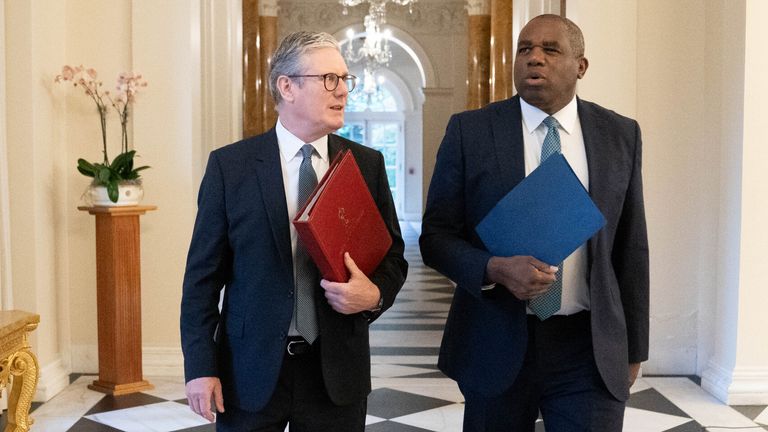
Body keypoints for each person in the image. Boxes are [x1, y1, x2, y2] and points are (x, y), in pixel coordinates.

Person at [420, 14, 648, 431]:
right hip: (497, 341)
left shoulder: (619, 134)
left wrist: (634, 348)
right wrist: (493, 269)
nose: (534, 58)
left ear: (581, 66)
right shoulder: (471, 131)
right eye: (525, 49)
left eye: (550, 49)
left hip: (589, 346)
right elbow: (435, 237)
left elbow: (631, 247)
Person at [180, 31, 407, 431]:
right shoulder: (230, 167)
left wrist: (374, 294)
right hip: (250, 371)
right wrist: (200, 366)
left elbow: (392, 257)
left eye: (345, 79)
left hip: (336, 372)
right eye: (329, 79)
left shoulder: (366, 164)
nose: (343, 92)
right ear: (287, 86)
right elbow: (201, 280)